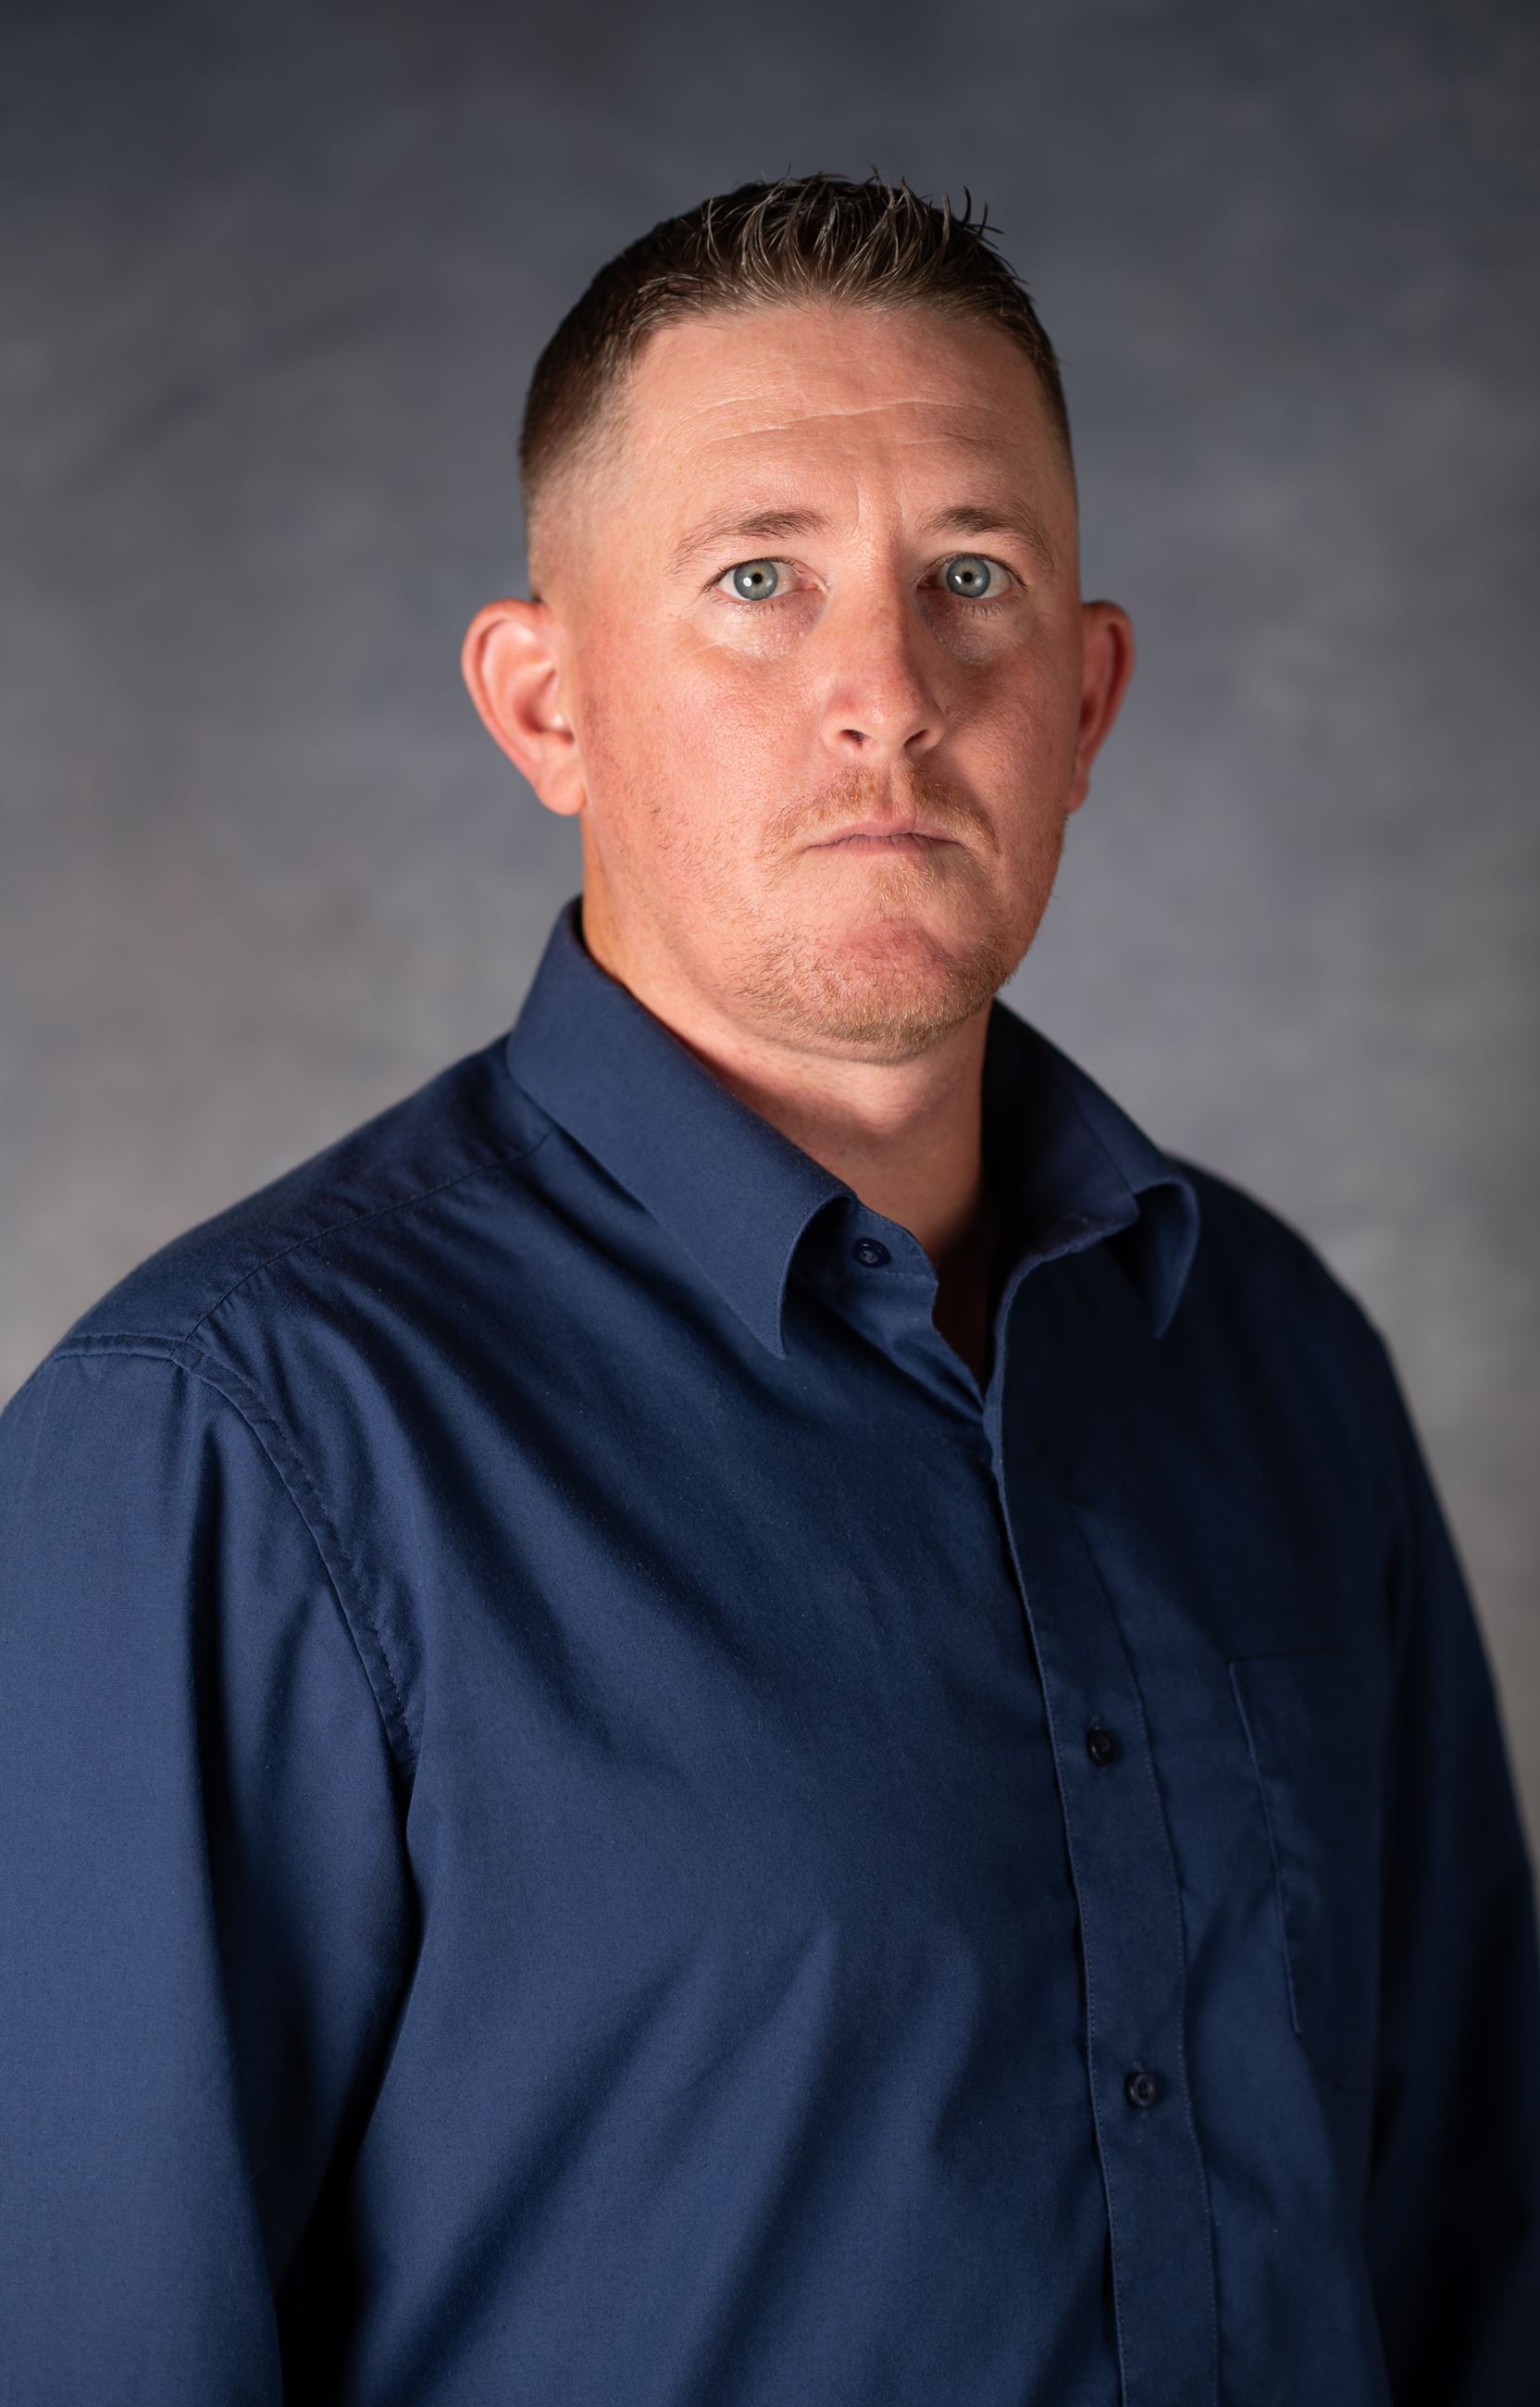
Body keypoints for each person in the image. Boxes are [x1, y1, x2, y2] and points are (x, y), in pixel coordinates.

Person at [1, 170, 1534, 2407]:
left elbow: (1471, 2250)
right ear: (547, 707)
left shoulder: (1273, 1355)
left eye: (970, 581)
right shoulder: (220, 1446)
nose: (887, 699)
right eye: (756, 581)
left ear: (1086, 698)